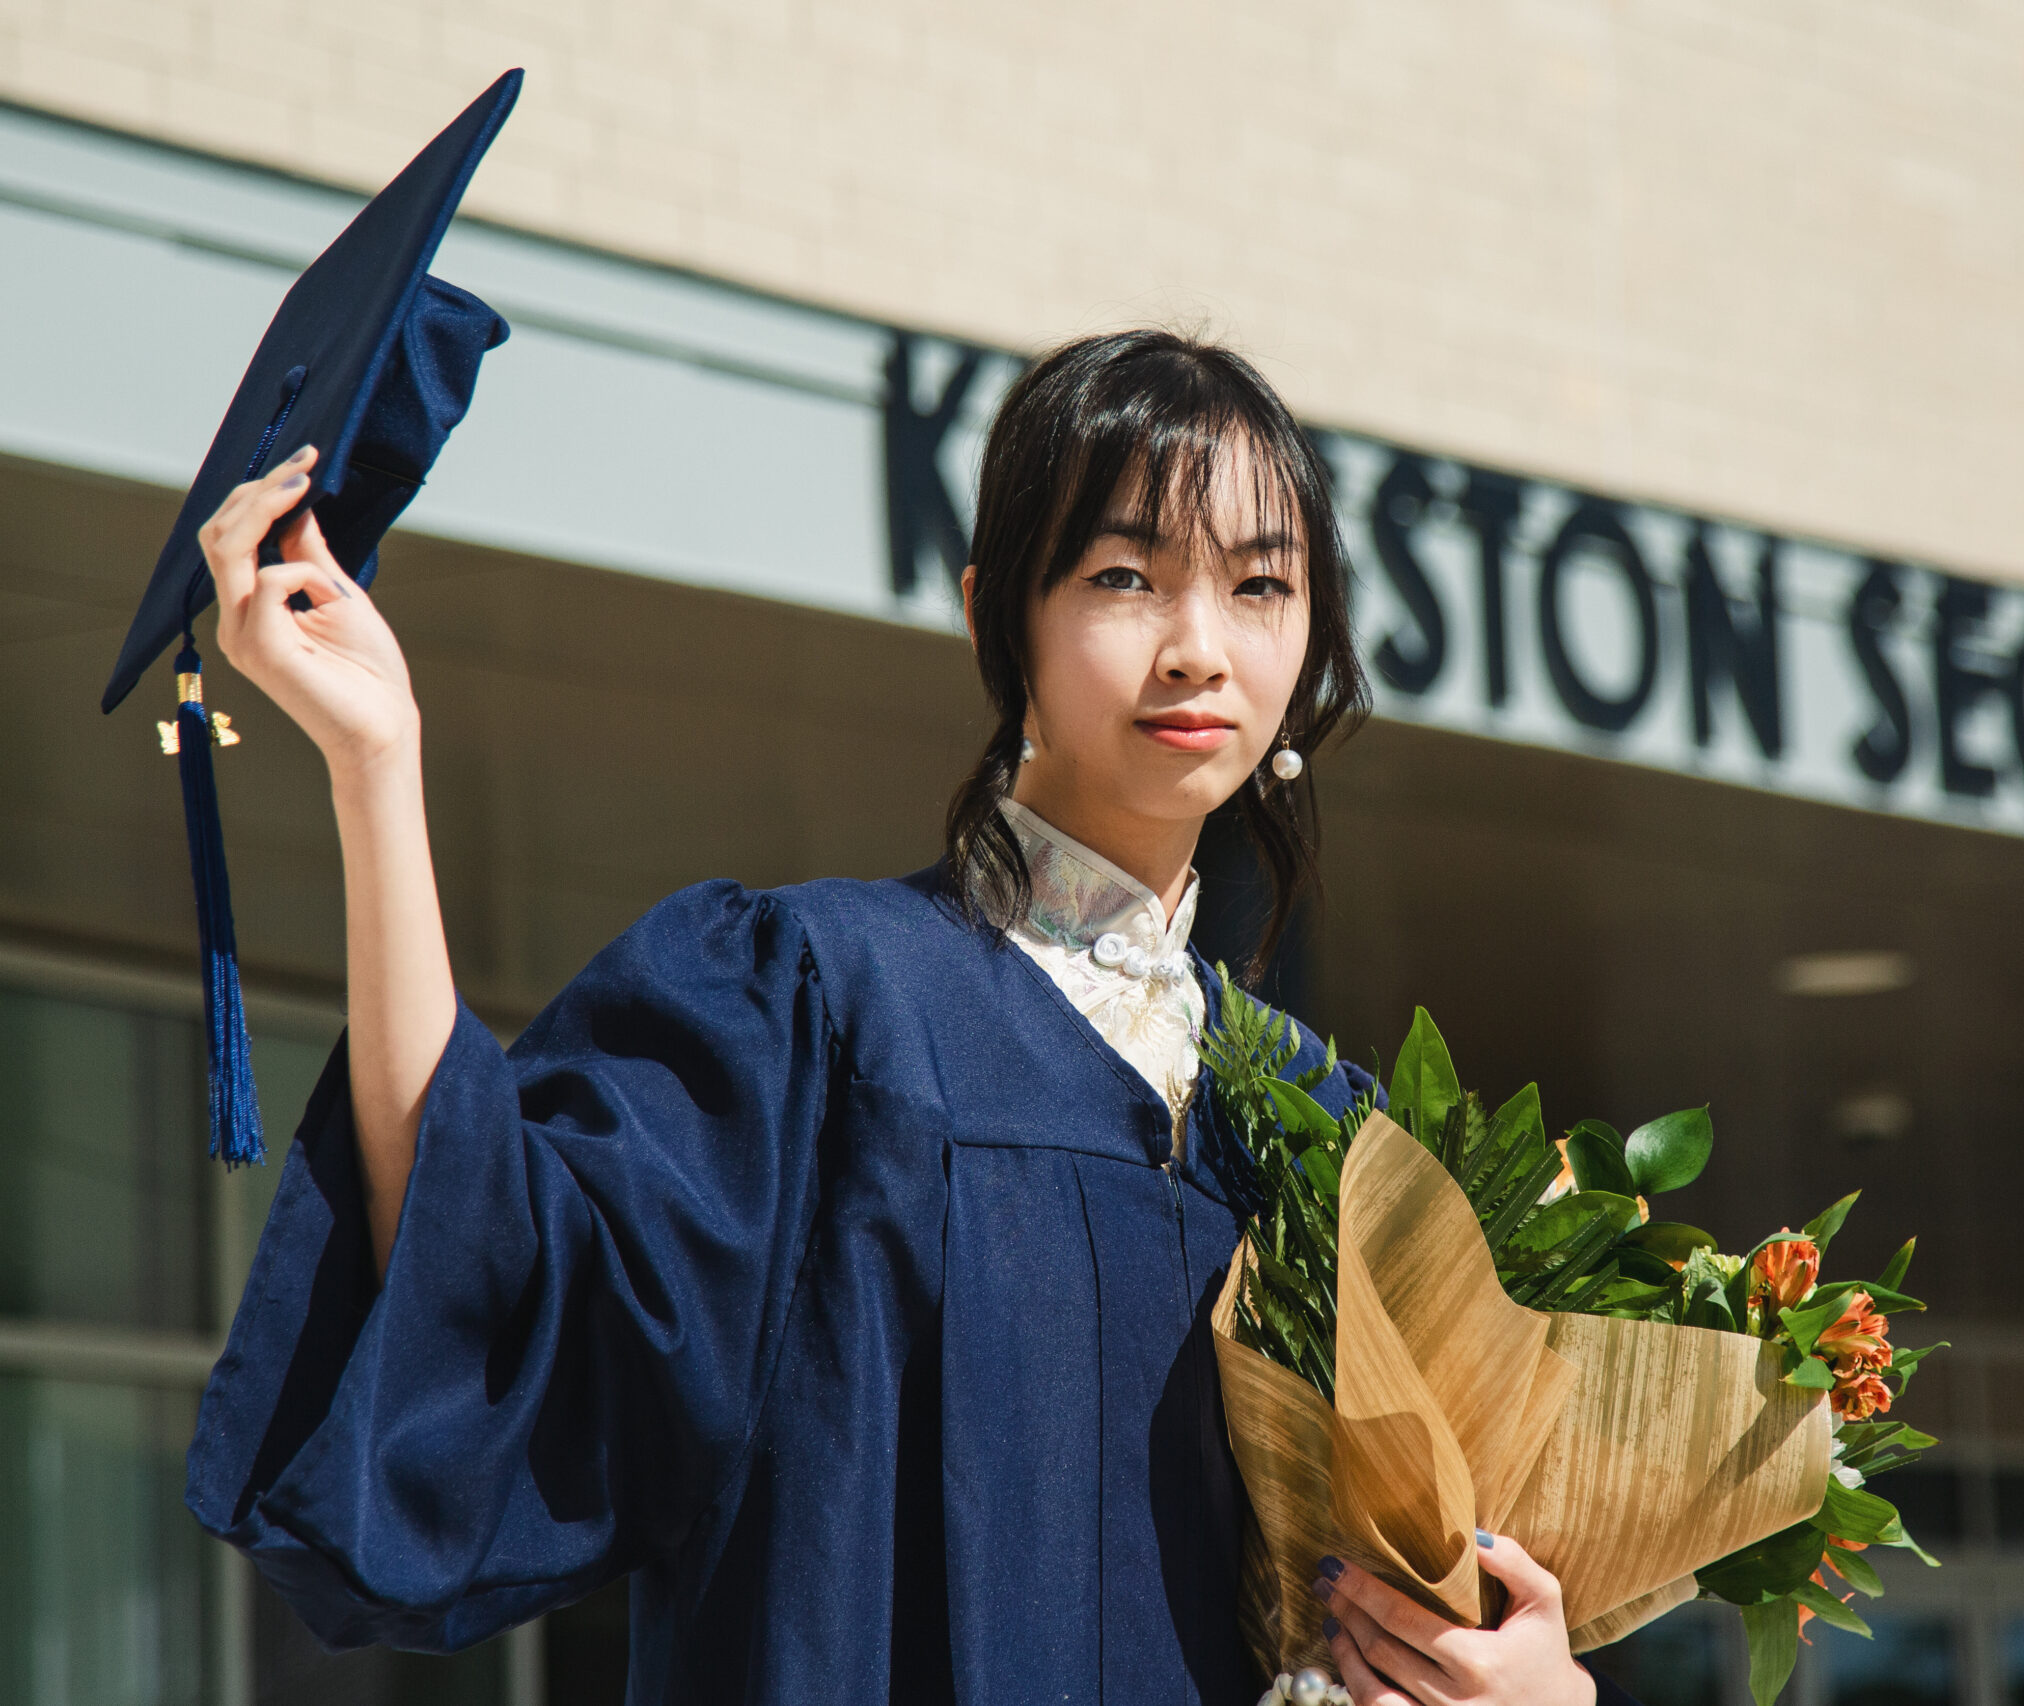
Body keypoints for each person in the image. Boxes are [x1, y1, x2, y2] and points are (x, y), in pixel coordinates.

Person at [185, 328, 1635, 1706]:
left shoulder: (1339, 1138)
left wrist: (1533, 1674)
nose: (1202, 647)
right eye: (1127, 575)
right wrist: (381, 770)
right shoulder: (817, 1002)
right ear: (995, 610)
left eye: (1261, 586)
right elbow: (495, 1269)